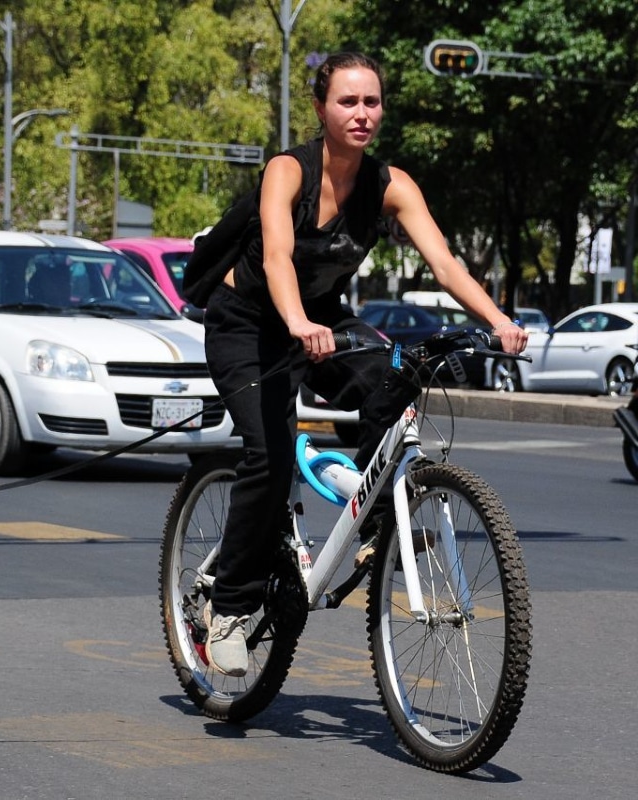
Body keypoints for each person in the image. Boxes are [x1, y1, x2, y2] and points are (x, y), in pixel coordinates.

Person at [201, 52, 529, 677]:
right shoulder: (287, 171)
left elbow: (446, 263)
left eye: (371, 102)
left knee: (395, 375)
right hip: (248, 323)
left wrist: (498, 320)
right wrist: (296, 324)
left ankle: (378, 524)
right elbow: (275, 258)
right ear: (322, 109)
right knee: (269, 456)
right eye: (347, 102)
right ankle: (230, 609)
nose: (361, 114)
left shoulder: (390, 184)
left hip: (322, 318)